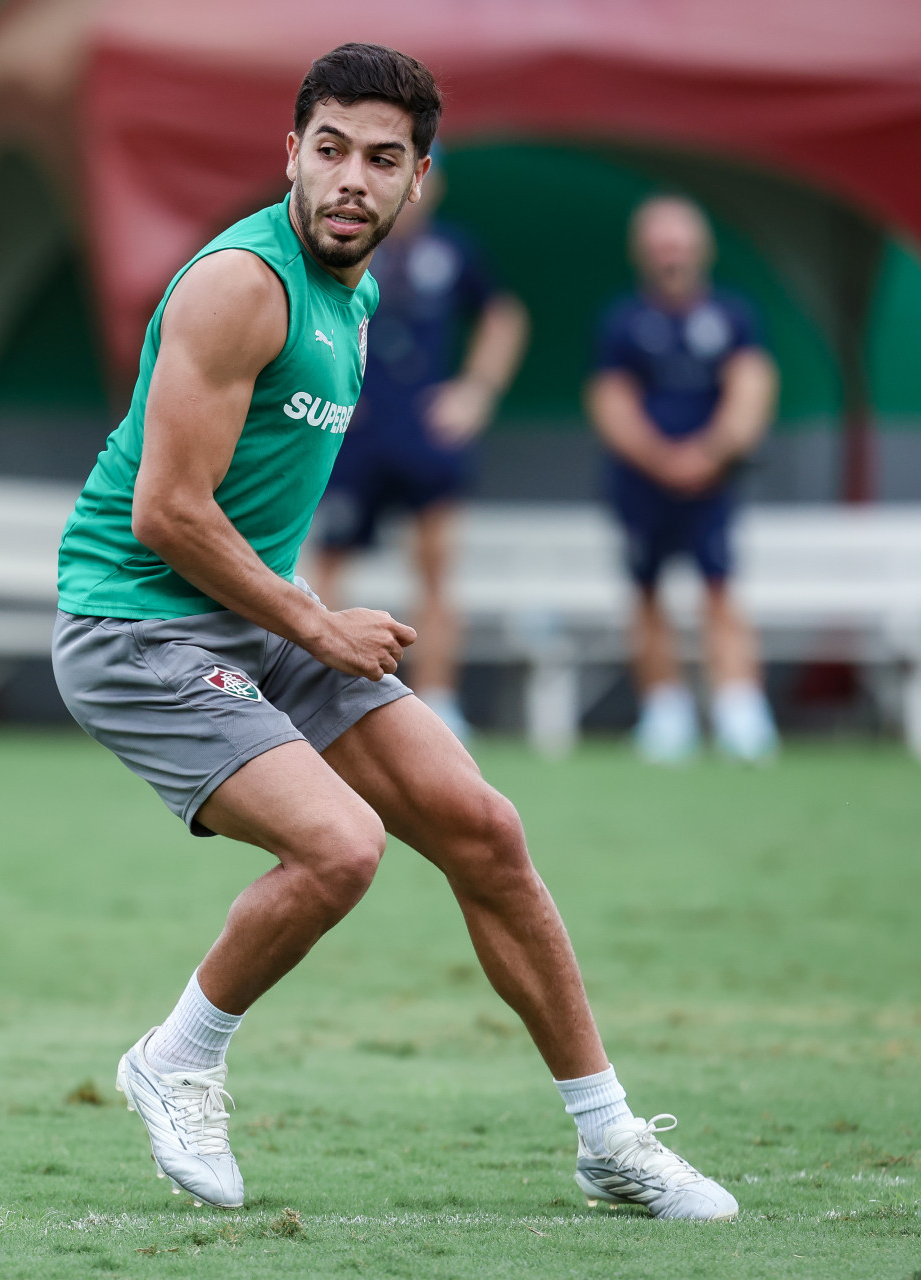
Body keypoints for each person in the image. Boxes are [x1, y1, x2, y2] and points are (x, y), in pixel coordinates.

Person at [52, 43, 736, 1219]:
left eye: (381, 159)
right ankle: (176, 1058)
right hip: (138, 627)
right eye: (329, 152)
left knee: (484, 829)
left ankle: (608, 1135)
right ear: (291, 156)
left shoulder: (358, 291)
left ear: (418, 179)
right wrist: (317, 621)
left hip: (257, 621)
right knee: (342, 846)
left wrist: (297, 624)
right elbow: (166, 510)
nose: (350, 181)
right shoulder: (242, 284)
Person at [307, 143, 528, 742]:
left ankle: (438, 702)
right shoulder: (345, 244)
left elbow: (504, 316)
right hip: (353, 433)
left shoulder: (451, 253)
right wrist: (327, 389)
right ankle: (319, 692)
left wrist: (476, 391)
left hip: (425, 432)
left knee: (434, 568)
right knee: (327, 563)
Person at [587, 195, 778, 763]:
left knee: (720, 592)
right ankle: (665, 713)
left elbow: (752, 389)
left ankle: (740, 711)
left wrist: (709, 453)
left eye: (680, 245)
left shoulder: (734, 316)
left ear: (701, 250)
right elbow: (610, 401)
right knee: (645, 595)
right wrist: (660, 457)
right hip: (642, 486)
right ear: (643, 253)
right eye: (660, 246)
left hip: (713, 486)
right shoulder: (623, 322)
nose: (671, 256)